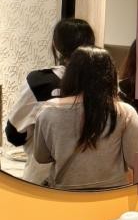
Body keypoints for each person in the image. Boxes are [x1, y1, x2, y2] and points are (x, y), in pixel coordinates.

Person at [31, 46, 138, 190]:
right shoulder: (125, 112)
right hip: (112, 195)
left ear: (71, 75)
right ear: (110, 76)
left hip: (64, 195)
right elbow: (134, 160)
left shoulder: (48, 110)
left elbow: (41, 157)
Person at [6, 18, 94, 183]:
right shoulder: (106, 84)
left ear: (55, 45)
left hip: (43, 183)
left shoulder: (40, 83)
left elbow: (14, 134)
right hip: (92, 184)